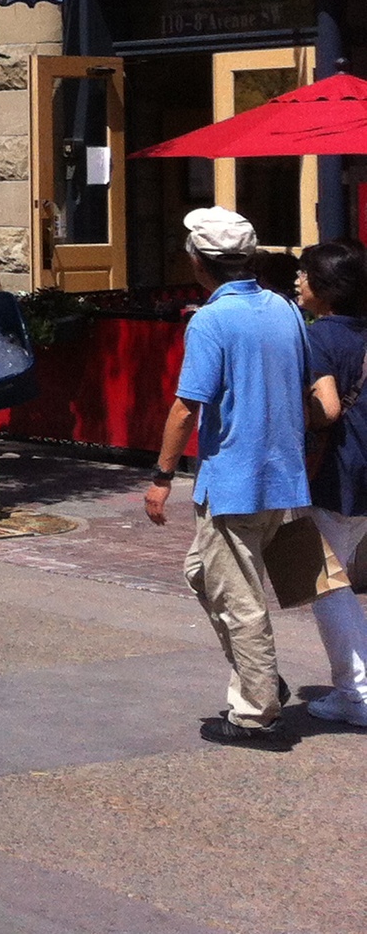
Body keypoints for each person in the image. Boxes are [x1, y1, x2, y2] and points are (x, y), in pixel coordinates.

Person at [145, 208, 312, 742]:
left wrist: (161, 475)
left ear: (198, 261)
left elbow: (186, 406)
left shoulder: (211, 321)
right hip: (280, 474)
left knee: (238, 598)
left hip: (235, 478)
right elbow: (308, 386)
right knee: (205, 574)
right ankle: (257, 674)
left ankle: (256, 708)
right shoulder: (284, 308)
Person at [297, 238, 367, 726]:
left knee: (325, 582)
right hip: (362, 469)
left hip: (336, 471)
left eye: (304, 274)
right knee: (337, 577)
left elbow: (326, 411)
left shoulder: (319, 336)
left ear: (324, 287)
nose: (297, 282)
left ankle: (356, 693)